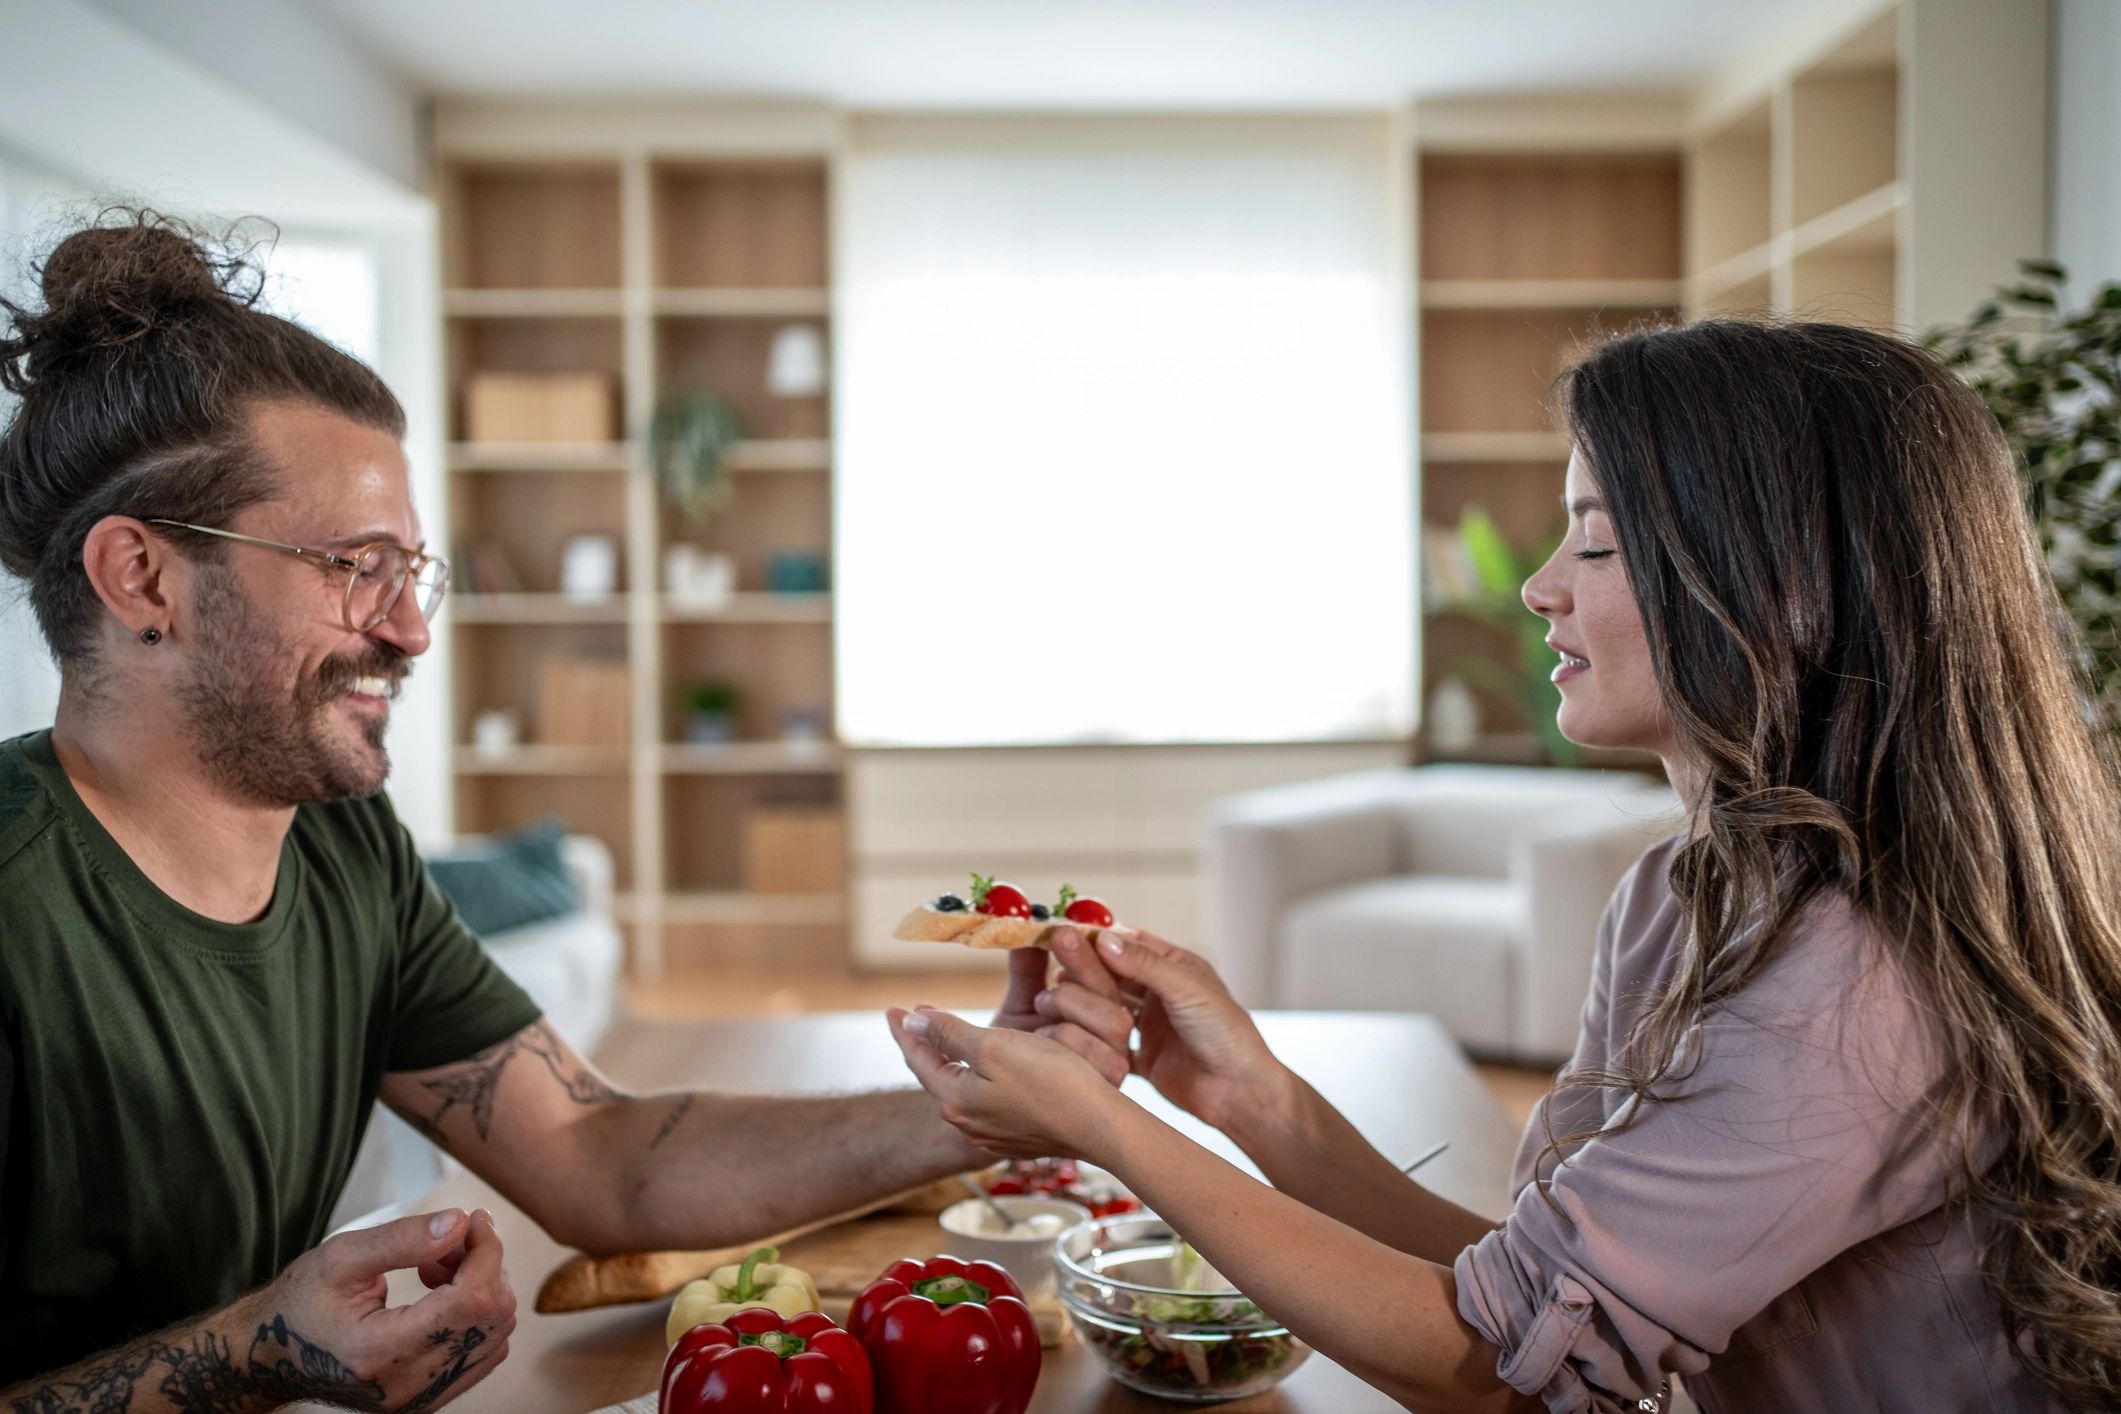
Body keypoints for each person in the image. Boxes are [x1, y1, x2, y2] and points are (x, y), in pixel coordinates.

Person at [0, 211, 1130, 1412]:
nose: (411, 630)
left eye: (412, 571)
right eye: (353, 566)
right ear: (143, 577)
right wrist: (250, 1352)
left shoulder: (340, 845)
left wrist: (979, 1107)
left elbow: (597, 1154)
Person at [888, 320, 2121, 1412]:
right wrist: (1248, 1097)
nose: (1539, 589)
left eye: (1596, 544)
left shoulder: (1851, 974)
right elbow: (1527, 1299)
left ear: (1776, 582)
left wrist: (1103, 1128)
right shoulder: (1676, 898)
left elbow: (1493, 1375)